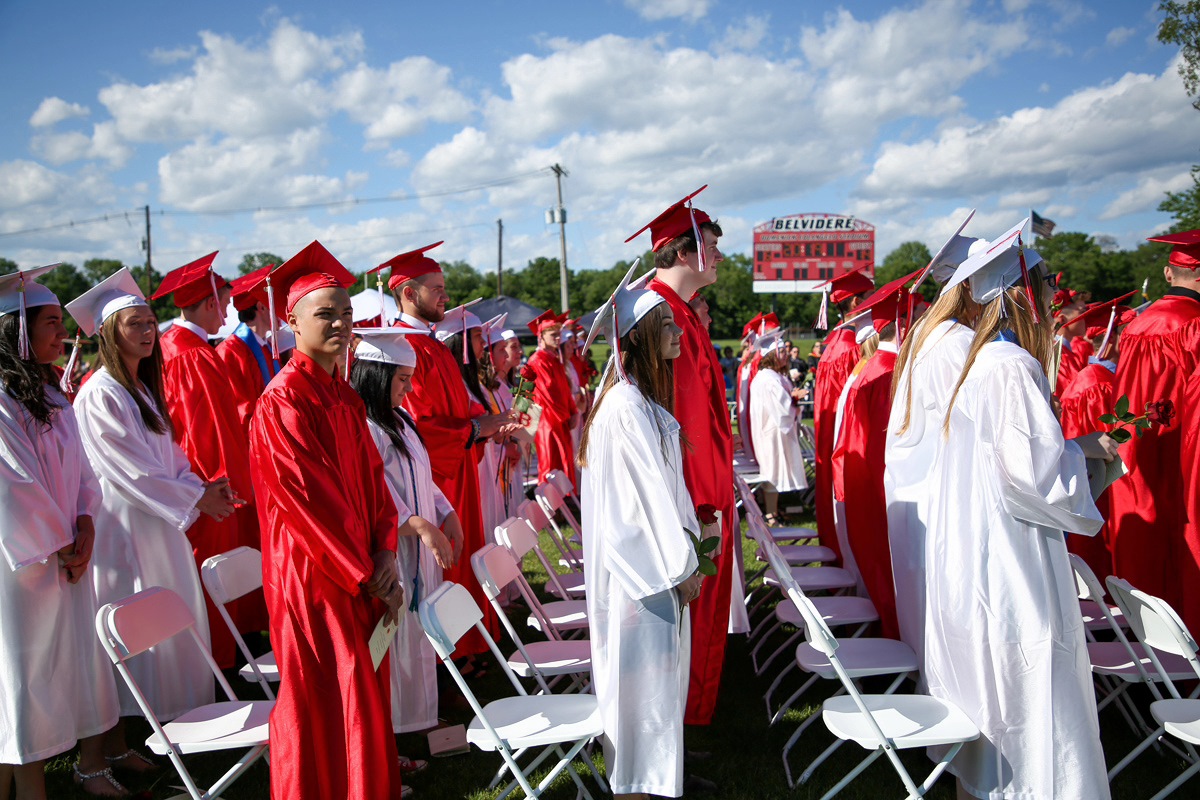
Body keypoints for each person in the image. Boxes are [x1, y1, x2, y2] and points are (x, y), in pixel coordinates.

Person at [925, 224, 1115, 799]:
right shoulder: (1007, 365)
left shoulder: (976, 360)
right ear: (1022, 296)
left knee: (992, 687)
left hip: (976, 546)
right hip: (1011, 556)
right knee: (1027, 684)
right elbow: (1036, 478)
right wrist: (1088, 454)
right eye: (1046, 286)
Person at [248, 241, 403, 800]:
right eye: (324, 314)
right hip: (314, 579)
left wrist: (385, 550)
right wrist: (367, 572)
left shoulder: (343, 395)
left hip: (360, 568)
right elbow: (308, 505)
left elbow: (374, 486)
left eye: (345, 313)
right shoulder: (283, 402)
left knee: (359, 696)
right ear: (291, 321)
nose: (340, 322)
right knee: (323, 697)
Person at [70, 268, 234, 791]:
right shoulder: (100, 393)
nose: (147, 331)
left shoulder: (138, 389)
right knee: (126, 639)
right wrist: (193, 498)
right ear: (108, 333)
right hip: (125, 534)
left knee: (160, 628)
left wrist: (202, 486)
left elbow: (168, 458)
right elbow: (130, 470)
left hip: (158, 527)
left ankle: (123, 746)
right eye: (133, 323)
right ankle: (98, 754)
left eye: (149, 322)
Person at [577, 266, 702, 800]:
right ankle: (637, 787)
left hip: (654, 573)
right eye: (668, 325)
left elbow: (665, 490)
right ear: (642, 337)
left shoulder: (638, 401)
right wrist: (683, 566)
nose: (678, 333)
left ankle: (655, 780)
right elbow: (644, 506)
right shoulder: (626, 408)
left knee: (656, 688)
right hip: (643, 578)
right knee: (641, 691)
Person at [0, 266, 120, 799]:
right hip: (21, 565)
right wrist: (62, 541)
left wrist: (87, 522)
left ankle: (59, 766)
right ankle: (29, 784)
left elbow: (84, 475)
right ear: (17, 331)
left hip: (65, 555)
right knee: (23, 673)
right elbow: (12, 487)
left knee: (64, 667)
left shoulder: (51, 397)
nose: (63, 334)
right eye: (50, 322)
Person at [632, 186, 741, 725]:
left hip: (705, 485)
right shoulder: (658, 314)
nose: (720, 257)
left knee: (698, 621)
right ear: (683, 252)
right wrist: (700, 502)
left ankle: (689, 721)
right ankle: (679, 726)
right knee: (683, 622)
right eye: (712, 247)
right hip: (689, 493)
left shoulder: (682, 313)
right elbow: (681, 422)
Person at [373, 242, 507, 661]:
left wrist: (491, 425)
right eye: (437, 289)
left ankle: (466, 647)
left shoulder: (430, 344)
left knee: (460, 559)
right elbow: (414, 426)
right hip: (433, 477)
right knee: (441, 568)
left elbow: (460, 410)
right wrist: (475, 427)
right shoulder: (401, 347)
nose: (446, 297)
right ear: (409, 294)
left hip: (458, 466)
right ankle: (448, 656)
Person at [350, 327, 458, 756]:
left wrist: (445, 513)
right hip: (394, 551)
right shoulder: (364, 426)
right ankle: (392, 733)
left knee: (417, 636)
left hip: (419, 546)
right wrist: (419, 525)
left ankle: (417, 719)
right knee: (394, 643)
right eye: (401, 379)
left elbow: (423, 477)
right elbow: (375, 494)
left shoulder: (401, 420)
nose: (409, 388)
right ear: (376, 375)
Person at [151, 252, 253, 669]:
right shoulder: (190, 353)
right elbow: (207, 433)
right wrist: (226, 487)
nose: (228, 312)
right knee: (212, 581)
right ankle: (215, 672)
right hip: (206, 487)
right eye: (226, 303)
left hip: (190, 485)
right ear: (211, 302)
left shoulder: (172, 346)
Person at [1108, 229, 1200, 628]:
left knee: (1147, 549)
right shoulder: (1193, 325)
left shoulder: (1135, 326)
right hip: (1183, 461)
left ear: (1167, 273)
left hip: (1134, 455)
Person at [833, 274, 920, 640]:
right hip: (883, 493)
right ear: (904, 324)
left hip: (861, 490)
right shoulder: (887, 374)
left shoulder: (868, 369)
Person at [1058, 293, 1138, 580]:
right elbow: (1104, 454)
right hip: (1099, 497)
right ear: (1110, 339)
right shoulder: (1095, 386)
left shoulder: (1096, 379)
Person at [812, 266, 874, 561]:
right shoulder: (851, 349)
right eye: (871, 295)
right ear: (854, 302)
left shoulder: (833, 345)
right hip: (845, 441)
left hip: (829, 439)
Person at [748, 331, 808, 525]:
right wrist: (795, 398)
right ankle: (771, 514)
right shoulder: (769, 379)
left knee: (774, 470)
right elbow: (782, 409)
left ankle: (774, 510)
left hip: (772, 430)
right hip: (772, 431)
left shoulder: (769, 376)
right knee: (773, 471)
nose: (786, 355)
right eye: (781, 351)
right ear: (771, 355)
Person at [215, 264, 278, 434]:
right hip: (252, 443)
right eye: (275, 303)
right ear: (262, 307)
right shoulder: (230, 352)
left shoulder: (267, 347)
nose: (280, 311)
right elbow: (239, 412)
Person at [525, 309, 577, 486]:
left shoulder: (554, 359)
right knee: (551, 465)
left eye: (559, 334)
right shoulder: (537, 361)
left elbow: (564, 390)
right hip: (548, 421)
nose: (558, 338)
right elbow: (549, 395)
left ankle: (565, 504)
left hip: (560, 420)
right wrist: (567, 415)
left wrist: (574, 411)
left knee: (563, 464)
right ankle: (553, 509)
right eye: (553, 335)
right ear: (541, 335)